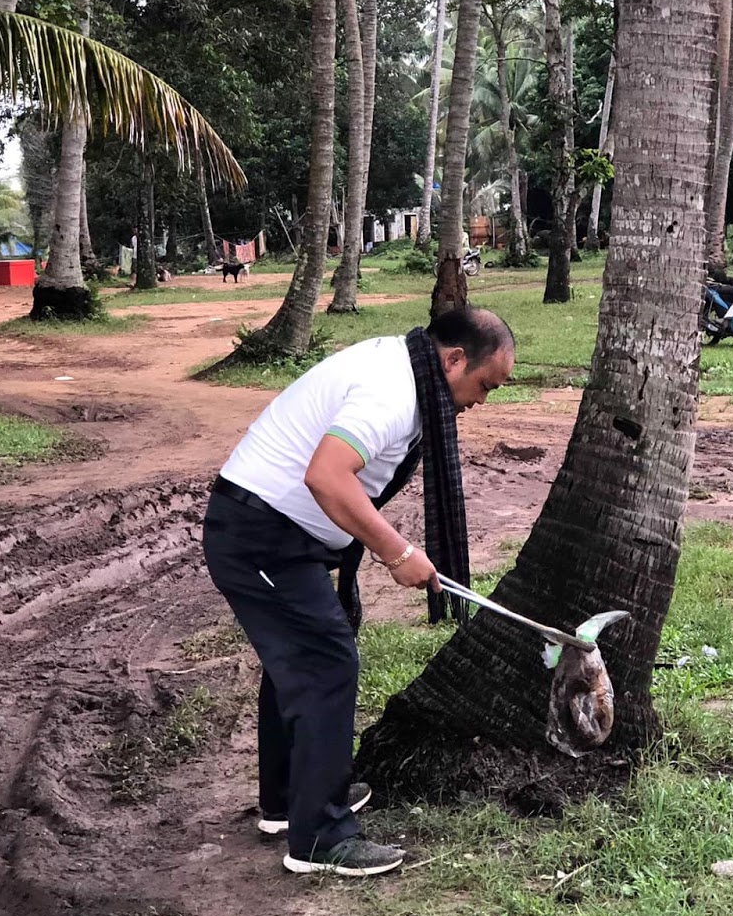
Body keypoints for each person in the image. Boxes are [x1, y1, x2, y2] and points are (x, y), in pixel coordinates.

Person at [202, 307, 516, 877]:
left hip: (274, 533)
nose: (481, 401)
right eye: (485, 386)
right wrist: (396, 552)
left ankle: (290, 800)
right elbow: (326, 476)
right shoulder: (391, 391)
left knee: (299, 663)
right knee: (325, 664)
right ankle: (320, 838)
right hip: (259, 536)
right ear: (453, 360)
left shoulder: (405, 369)